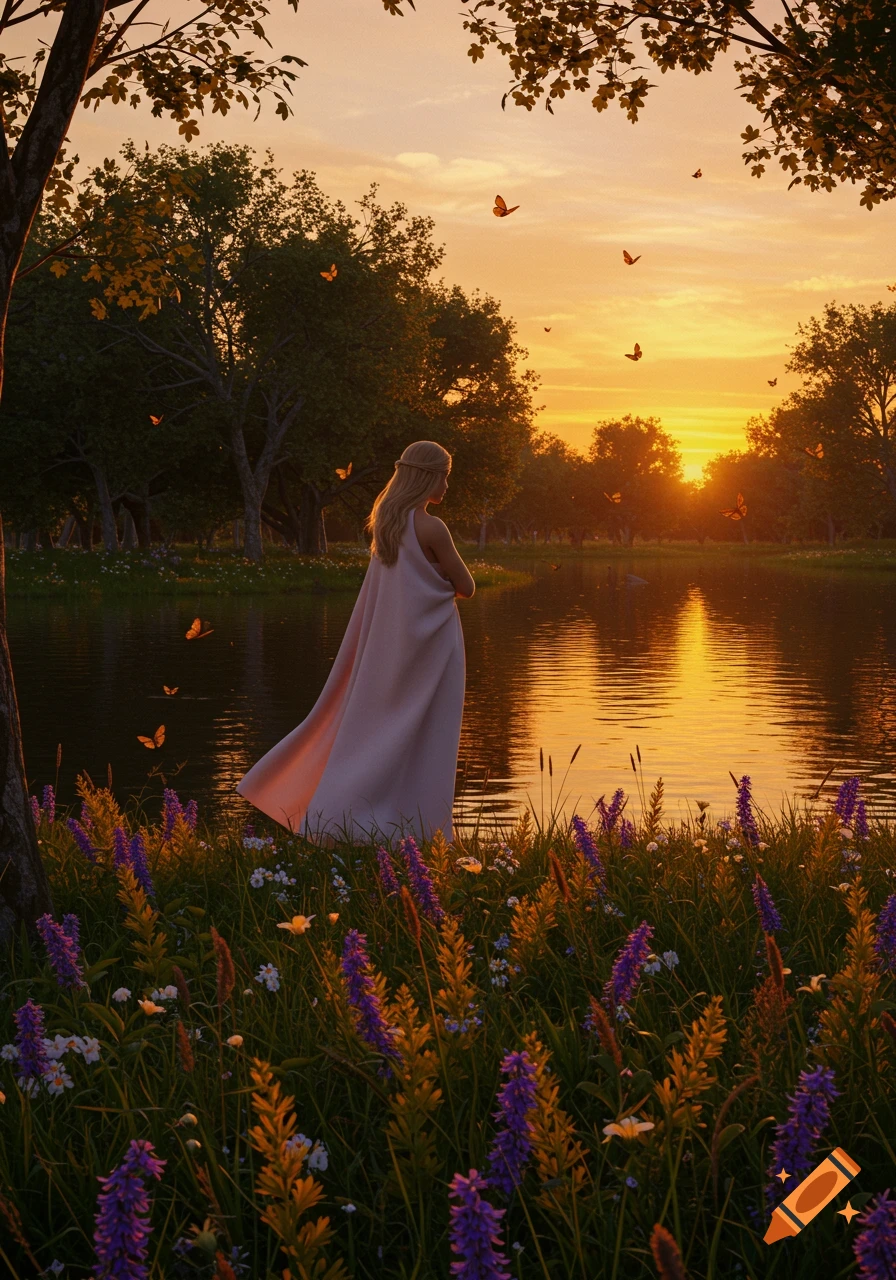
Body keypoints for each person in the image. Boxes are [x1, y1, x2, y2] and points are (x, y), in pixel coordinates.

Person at [235, 440, 475, 848]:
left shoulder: (386, 523)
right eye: (444, 476)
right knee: (429, 735)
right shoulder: (432, 527)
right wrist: (438, 572)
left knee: (375, 730)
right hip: (432, 650)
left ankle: (347, 819)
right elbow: (466, 587)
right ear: (428, 476)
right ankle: (420, 832)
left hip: (388, 649)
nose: (447, 485)